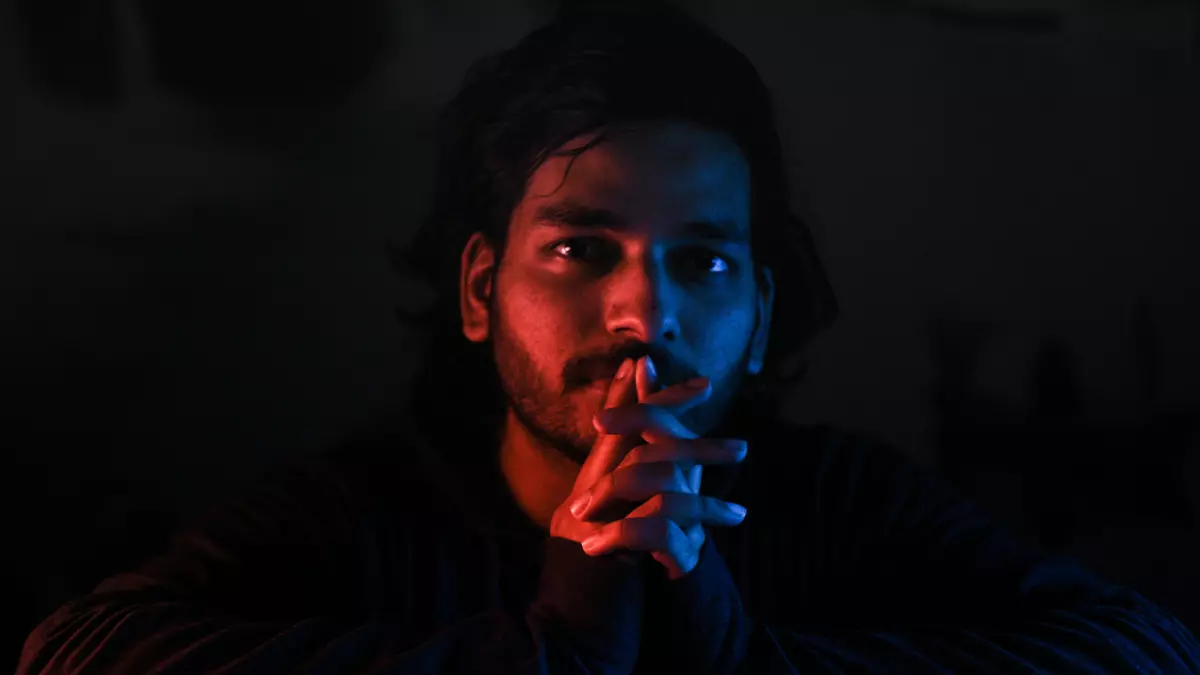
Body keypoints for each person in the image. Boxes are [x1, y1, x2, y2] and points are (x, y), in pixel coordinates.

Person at [18, 6, 1199, 674]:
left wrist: (737, 658)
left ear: (764, 311)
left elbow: (1142, 650)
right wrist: (555, 649)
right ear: (481, 290)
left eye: (705, 260)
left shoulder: (843, 500)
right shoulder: (362, 509)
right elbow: (74, 654)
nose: (645, 314)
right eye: (582, 250)